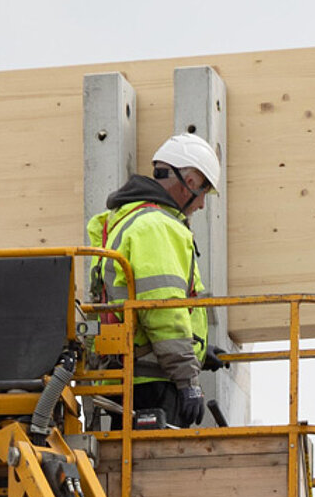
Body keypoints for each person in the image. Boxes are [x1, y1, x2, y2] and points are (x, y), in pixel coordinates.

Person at [89, 132, 220, 427]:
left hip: (130, 376)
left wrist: (198, 349)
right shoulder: (157, 226)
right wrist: (188, 379)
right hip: (154, 382)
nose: (200, 206)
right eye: (203, 193)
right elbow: (163, 312)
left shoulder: (127, 219)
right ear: (190, 182)